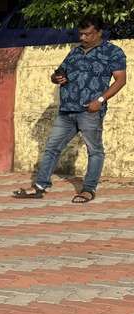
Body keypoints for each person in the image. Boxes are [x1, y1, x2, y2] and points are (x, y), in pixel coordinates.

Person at [13, 15, 126, 203]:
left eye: (88, 34)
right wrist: (57, 78)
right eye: (81, 34)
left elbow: (120, 80)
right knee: (52, 148)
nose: (82, 38)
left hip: (90, 111)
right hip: (66, 111)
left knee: (95, 151)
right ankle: (39, 186)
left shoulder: (113, 52)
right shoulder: (75, 52)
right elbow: (58, 74)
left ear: (99, 33)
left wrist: (100, 100)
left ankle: (88, 190)